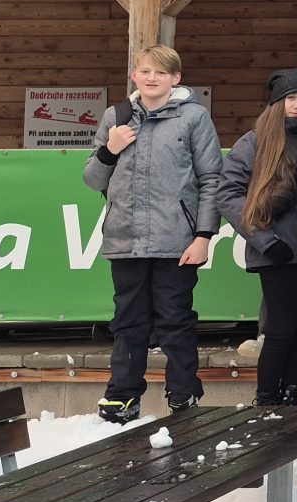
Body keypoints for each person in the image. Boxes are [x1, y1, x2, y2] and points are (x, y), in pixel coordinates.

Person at [83, 45, 223, 423]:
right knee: (128, 321)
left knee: (174, 320)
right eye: (145, 71)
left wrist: (203, 236)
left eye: (161, 72)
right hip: (125, 239)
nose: (151, 78)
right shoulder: (116, 117)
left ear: (175, 78)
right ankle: (122, 396)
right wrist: (110, 149)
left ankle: (183, 393)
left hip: (176, 240)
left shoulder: (193, 117)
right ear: (134, 75)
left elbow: (212, 179)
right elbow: (92, 179)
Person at [217, 69, 297, 406]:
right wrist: (265, 241)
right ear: (276, 102)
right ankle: (267, 398)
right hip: (275, 249)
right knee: (281, 328)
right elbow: (227, 194)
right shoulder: (254, 141)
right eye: (291, 98)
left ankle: (292, 393)